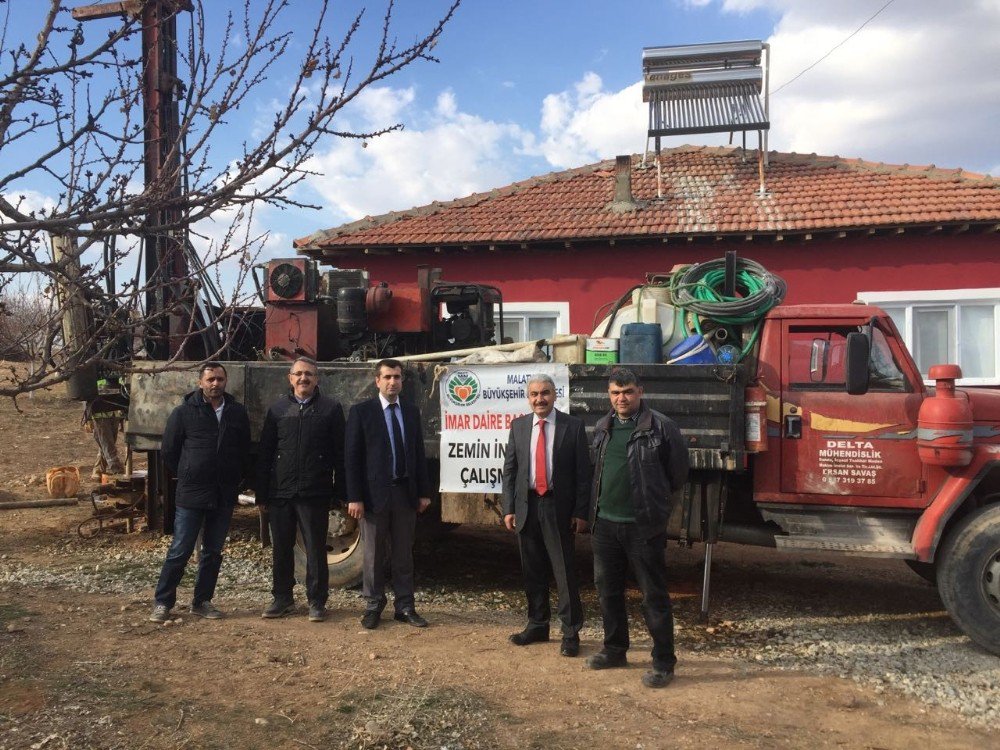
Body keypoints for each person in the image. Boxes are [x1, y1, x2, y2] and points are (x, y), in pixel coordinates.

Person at [587, 367, 689, 688]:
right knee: (608, 591)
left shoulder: (661, 427)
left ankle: (663, 663)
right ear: (609, 394)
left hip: (643, 528)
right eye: (616, 392)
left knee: (653, 596)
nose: (622, 398)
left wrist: (654, 512)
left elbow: (678, 475)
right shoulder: (603, 427)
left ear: (640, 392)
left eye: (628, 391)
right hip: (605, 525)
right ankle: (615, 649)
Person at [148, 362, 251, 623]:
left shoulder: (237, 413)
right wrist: (190, 472)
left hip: (223, 493)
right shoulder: (184, 413)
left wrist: (235, 478)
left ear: (226, 381)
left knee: (213, 551)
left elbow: (244, 450)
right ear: (200, 383)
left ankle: (202, 601)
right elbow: (169, 451)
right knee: (180, 550)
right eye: (210, 380)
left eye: (219, 379)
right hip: (192, 493)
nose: (215, 384)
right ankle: (163, 602)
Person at [501, 373, 591, 657]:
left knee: (563, 572)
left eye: (545, 393)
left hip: (557, 508)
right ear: (528, 398)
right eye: (534, 394)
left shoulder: (572, 426)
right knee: (533, 571)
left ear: (555, 395)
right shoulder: (518, 426)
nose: (540, 399)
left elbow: (583, 474)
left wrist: (580, 511)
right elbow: (510, 472)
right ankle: (538, 624)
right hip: (527, 507)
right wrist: (509, 508)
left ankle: (570, 632)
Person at [257, 357, 346, 623]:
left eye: (309, 374)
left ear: (317, 379)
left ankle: (317, 602)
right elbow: (265, 454)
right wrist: (262, 493)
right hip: (281, 493)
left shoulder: (331, 409)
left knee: (316, 549)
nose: (303, 378)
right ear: (290, 377)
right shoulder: (277, 410)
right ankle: (282, 598)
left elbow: (340, 454)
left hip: (314, 491)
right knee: (281, 548)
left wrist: (340, 491)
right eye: (298, 374)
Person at [345, 359, 431, 630]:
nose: (393, 382)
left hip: (405, 494)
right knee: (372, 554)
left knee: (404, 554)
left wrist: (424, 492)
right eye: (387, 377)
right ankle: (373, 605)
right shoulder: (362, 412)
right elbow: (352, 458)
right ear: (377, 381)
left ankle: (405, 606)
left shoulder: (410, 412)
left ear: (402, 381)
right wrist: (354, 497)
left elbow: (418, 454)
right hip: (373, 497)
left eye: (397, 377)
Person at [83, 374, 128, 479]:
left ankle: (98, 469)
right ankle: (117, 469)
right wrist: (88, 417)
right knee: (108, 445)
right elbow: (86, 394)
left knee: (107, 444)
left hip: (114, 411)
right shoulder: (95, 369)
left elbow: (122, 389)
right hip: (100, 413)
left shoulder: (116, 367)